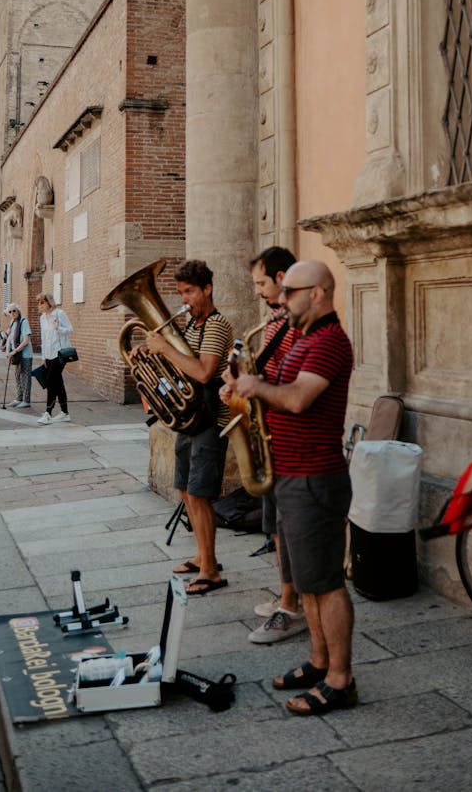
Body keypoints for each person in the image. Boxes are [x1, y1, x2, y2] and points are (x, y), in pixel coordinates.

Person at [223, 260, 356, 716]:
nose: (280, 300)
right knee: (308, 583)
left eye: (290, 292)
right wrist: (242, 389)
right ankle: (320, 662)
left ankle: (340, 679)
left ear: (317, 293)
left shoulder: (330, 342)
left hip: (316, 477)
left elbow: (299, 398)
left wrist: (257, 385)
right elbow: (277, 392)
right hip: (292, 474)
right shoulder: (302, 339)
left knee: (327, 585)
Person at [145, 259, 232, 597]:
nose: (184, 300)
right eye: (181, 293)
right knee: (184, 489)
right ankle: (202, 554)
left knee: (199, 493)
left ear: (207, 289)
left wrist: (165, 347)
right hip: (189, 418)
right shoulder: (192, 326)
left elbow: (204, 372)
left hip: (211, 420)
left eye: (189, 292)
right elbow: (181, 367)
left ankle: (211, 571)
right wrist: (152, 355)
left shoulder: (216, 325)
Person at [241, 246, 306, 645]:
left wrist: (258, 384)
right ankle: (288, 594)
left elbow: (292, 379)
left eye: (261, 282)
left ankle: (291, 605)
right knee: (276, 527)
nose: (258, 291)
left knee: (288, 526)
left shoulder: (298, 325)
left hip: (291, 436)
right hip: (273, 432)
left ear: (282, 279)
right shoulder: (275, 321)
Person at [36, 293, 74, 424]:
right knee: (58, 383)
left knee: (51, 381)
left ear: (49, 302)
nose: (39, 305)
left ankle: (48, 413)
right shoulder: (42, 318)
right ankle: (65, 413)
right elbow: (43, 338)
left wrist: (58, 328)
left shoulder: (59, 314)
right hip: (49, 354)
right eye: (38, 302)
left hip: (60, 353)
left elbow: (70, 330)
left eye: (41, 302)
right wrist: (43, 357)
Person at [5, 303, 33, 408]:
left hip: (25, 354)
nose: (12, 313)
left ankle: (26, 400)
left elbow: (26, 341)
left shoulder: (24, 322)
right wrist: (7, 351)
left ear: (18, 311)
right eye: (10, 311)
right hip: (16, 354)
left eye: (14, 311)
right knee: (17, 376)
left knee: (25, 377)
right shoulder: (12, 322)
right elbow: (9, 338)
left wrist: (14, 351)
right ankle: (19, 398)